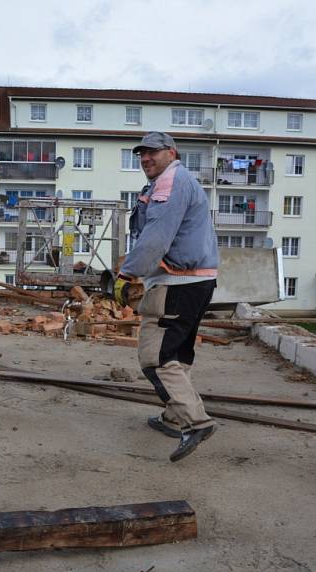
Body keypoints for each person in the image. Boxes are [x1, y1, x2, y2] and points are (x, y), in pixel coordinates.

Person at [117, 131, 219, 462]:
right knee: (179, 352)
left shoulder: (170, 182)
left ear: (171, 153)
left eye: (153, 153)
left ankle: (196, 422)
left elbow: (155, 237)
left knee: (155, 357)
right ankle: (175, 417)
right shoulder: (177, 180)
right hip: (196, 282)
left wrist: (127, 274)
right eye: (141, 154)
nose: (146, 158)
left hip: (178, 283)